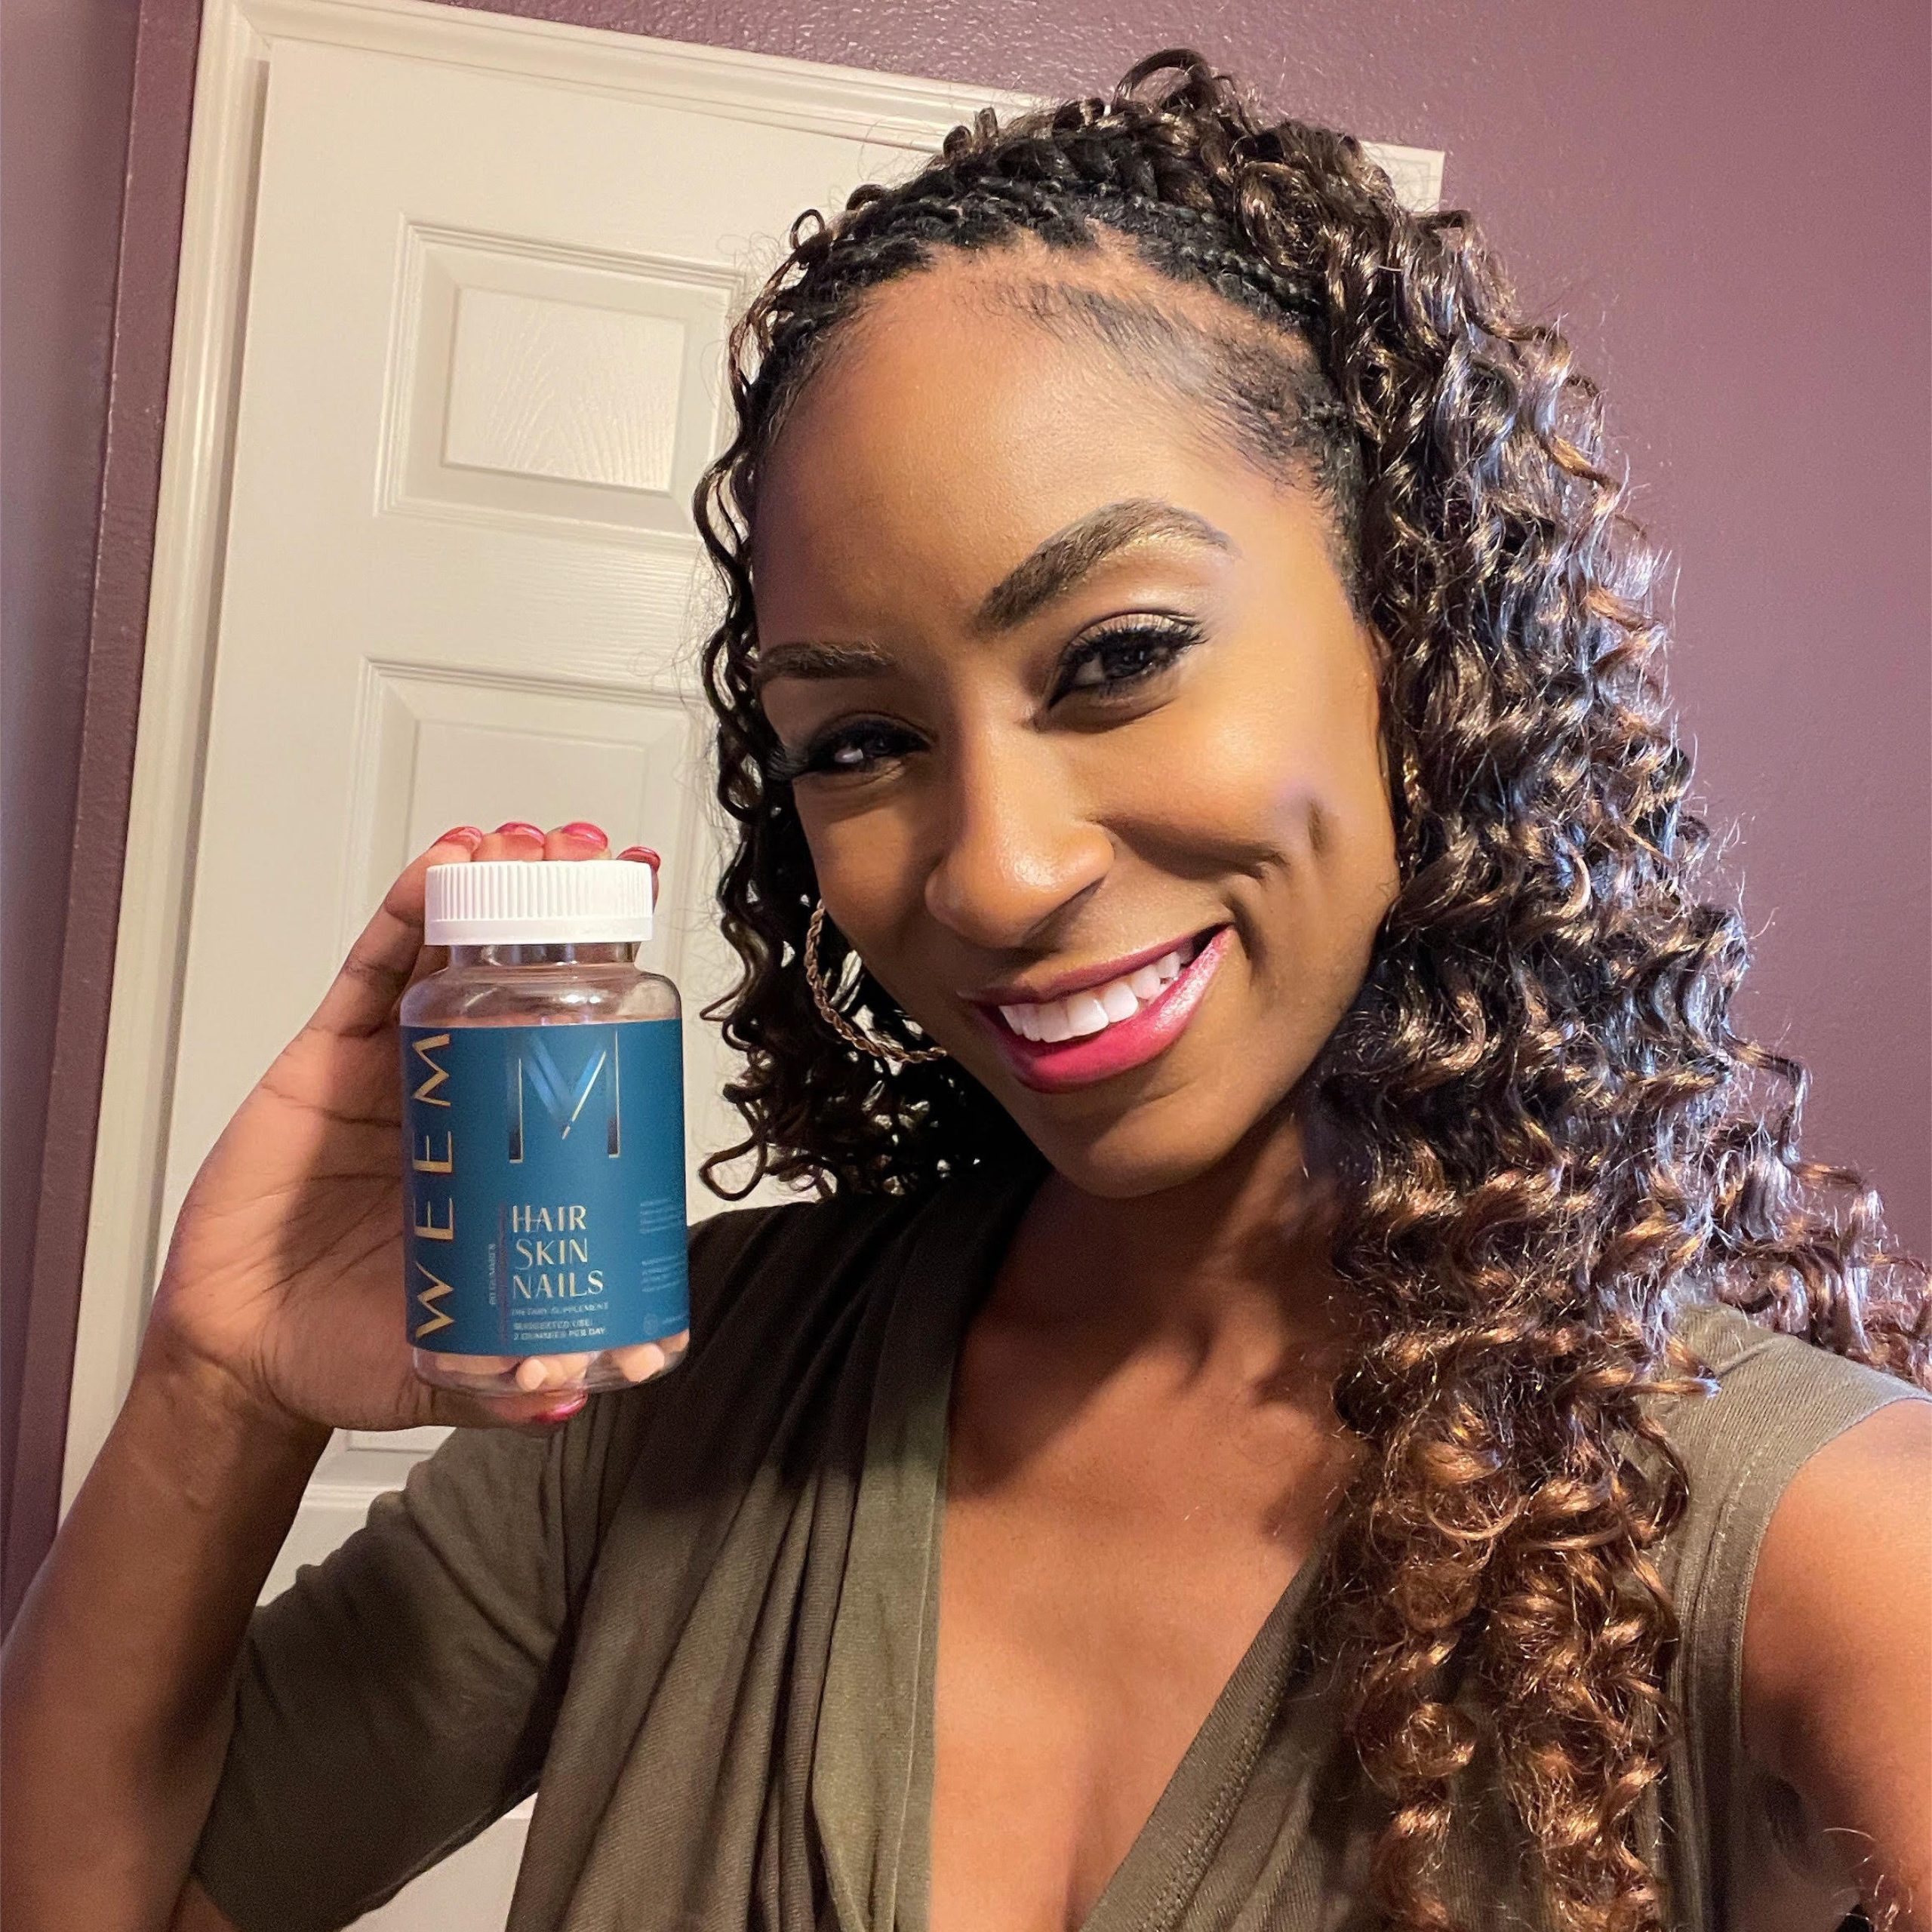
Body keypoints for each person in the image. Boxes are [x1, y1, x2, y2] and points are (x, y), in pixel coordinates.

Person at [5, 51, 1927, 1932]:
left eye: (1116, 655)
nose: (992, 871)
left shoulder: (1791, 1529)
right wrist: (215, 1385)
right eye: (856, 742)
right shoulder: (701, 1391)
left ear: (1410, 643)